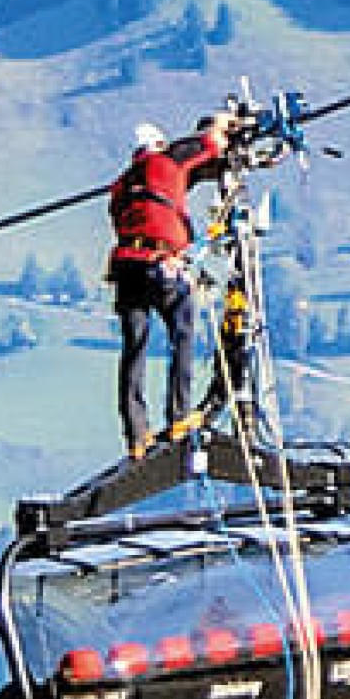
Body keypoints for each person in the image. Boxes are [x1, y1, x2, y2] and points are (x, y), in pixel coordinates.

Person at [105, 113, 231, 450]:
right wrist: (227, 123)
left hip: (126, 266)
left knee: (134, 346)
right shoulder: (168, 161)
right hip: (160, 263)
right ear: (160, 145)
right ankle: (178, 416)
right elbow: (211, 142)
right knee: (182, 332)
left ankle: (136, 433)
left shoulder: (121, 186)